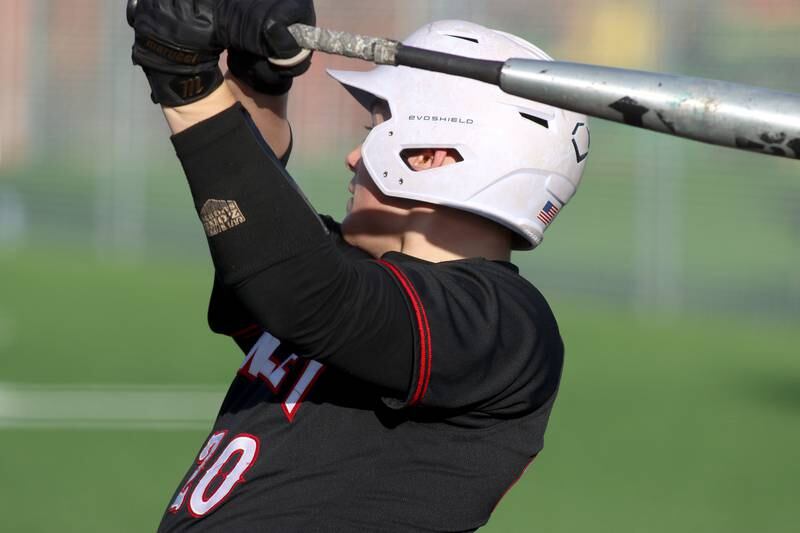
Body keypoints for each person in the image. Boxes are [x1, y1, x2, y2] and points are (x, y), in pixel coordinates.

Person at [130, 1, 590, 531]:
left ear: (432, 155)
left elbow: (303, 289)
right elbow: (262, 242)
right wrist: (261, 80)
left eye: (378, 129)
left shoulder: (507, 325)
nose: (354, 157)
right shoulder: (345, 274)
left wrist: (187, 85)